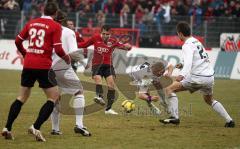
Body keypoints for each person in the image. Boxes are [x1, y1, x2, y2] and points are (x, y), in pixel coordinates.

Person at [1, 2, 71, 142]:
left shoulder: (32, 22)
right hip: (43, 65)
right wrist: (67, 58)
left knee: (21, 97)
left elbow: (17, 41)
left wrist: (25, 53)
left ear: (42, 10)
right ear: (56, 13)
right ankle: (36, 127)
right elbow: (58, 49)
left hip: (28, 64)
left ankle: (7, 128)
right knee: (54, 97)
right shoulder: (56, 26)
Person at [160, 21, 235, 127]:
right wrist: (182, 63)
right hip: (209, 77)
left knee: (169, 89)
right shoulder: (196, 41)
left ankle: (174, 117)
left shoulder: (186, 45)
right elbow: (197, 58)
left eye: (178, 34)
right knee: (209, 100)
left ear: (180, 33)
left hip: (197, 77)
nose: (178, 36)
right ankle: (229, 120)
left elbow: (190, 62)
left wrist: (182, 75)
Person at [50, 10, 91, 136]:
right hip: (62, 67)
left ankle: (55, 129)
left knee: (55, 97)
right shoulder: (68, 32)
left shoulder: (48, 30)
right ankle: (79, 125)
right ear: (63, 20)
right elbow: (73, 52)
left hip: (48, 68)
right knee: (79, 91)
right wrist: (85, 64)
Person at [78, 25, 131, 115]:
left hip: (108, 66)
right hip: (96, 64)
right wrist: (71, 44)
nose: (105, 36)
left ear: (110, 34)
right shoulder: (95, 38)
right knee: (98, 79)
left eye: (107, 34)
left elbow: (124, 47)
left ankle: (108, 109)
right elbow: (84, 45)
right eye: (103, 34)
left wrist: (128, 47)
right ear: (100, 32)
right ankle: (99, 96)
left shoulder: (114, 41)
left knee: (111, 85)